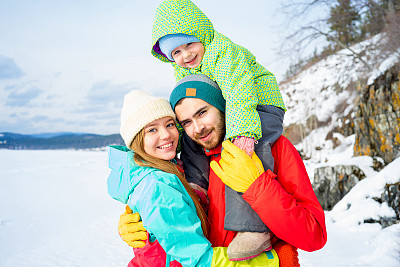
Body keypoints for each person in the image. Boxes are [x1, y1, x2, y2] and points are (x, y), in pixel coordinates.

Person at [119, 75, 328, 267]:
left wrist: (258, 187)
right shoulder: (189, 161)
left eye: (202, 113)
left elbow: (314, 237)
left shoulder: (274, 148)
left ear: (221, 106)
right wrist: (143, 227)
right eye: (186, 122)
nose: (198, 128)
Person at [150, 0, 286, 260]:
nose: (185, 55)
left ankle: (253, 227)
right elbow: (187, 106)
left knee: (244, 154)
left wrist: (243, 131)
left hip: (260, 103)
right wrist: (175, 137)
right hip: (229, 109)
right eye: (175, 52)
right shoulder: (183, 69)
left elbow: (239, 90)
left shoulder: (223, 52)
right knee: (194, 142)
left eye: (189, 44)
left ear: (202, 33)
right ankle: (197, 187)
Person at [107, 90, 279, 266]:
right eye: (152, 129)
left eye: (169, 124)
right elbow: (198, 260)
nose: (166, 135)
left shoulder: (169, 168)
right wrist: (269, 261)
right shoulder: (158, 186)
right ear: (137, 141)